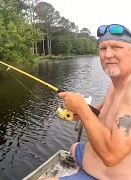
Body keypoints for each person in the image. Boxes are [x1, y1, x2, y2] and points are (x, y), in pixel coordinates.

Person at [40, 24, 131, 180]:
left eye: (116, 47)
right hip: (93, 159)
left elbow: (111, 156)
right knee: (74, 147)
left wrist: (82, 107)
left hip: (107, 175)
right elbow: (102, 112)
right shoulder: (115, 85)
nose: (108, 55)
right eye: (103, 49)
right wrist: (80, 112)